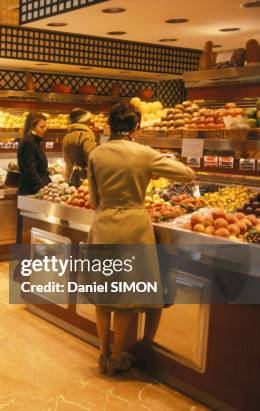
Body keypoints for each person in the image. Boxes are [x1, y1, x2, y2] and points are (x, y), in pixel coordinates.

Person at [86, 103, 194, 375]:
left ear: (110, 125)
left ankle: (102, 354)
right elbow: (187, 175)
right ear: (137, 127)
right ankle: (118, 357)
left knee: (103, 293)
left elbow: (93, 198)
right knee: (124, 298)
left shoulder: (96, 153)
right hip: (133, 225)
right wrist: (161, 163)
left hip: (103, 222)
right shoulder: (144, 153)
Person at [17, 112, 50, 196]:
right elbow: (30, 171)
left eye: (46, 126)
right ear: (32, 128)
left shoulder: (34, 142)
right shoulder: (28, 143)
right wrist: (42, 190)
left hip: (35, 191)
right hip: (31, 193)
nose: (45, 129)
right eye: (42, 127)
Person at [62, 108, 97, 184]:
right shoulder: (86, 134)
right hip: (82, 180)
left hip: (69, 177)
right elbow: (90, 157)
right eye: (89, 119)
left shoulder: (67, 135)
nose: (90, 121)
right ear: (84, 120)